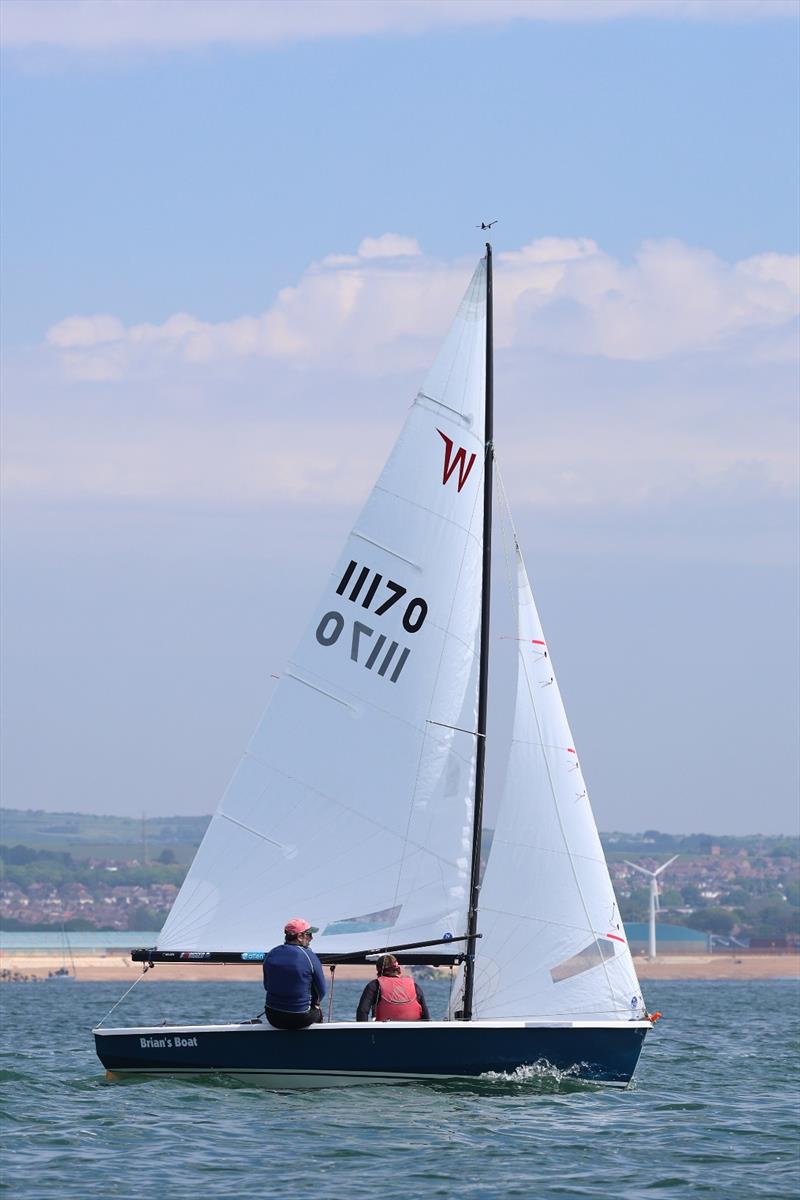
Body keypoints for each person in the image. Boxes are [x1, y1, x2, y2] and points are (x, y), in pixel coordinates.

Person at [263, 917, 327, 1029]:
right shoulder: (309, 956)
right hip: (300, 1018)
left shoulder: (271, 953)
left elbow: (267, 986)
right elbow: (321, 990)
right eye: (309, 934)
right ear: (300, 937)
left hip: (273, 1017)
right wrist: (315, 1004)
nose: (312, 938)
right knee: (317, 1012)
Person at [356, 954, 430, 1022]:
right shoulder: (414, 986)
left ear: (378, 969)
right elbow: (426, 1016)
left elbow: (362, 1011)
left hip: (384, 1033)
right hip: (414, 1033)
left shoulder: (374, 985)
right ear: (398, 968)